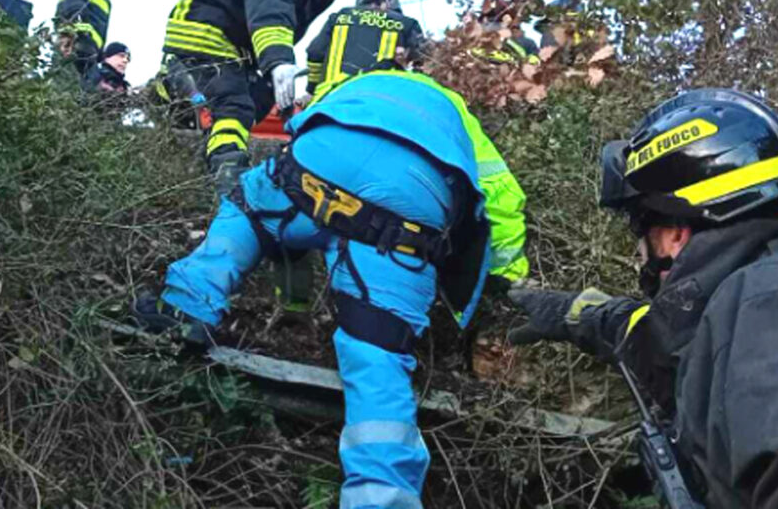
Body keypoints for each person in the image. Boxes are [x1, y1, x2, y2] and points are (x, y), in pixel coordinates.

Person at [133, 69, 528, 508]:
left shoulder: (359, 84)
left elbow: (300, 126)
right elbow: (503, 203)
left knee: (250, 208)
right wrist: (504, 286)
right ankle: (381, 497)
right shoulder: (457, 117)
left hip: (319, 165)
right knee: (377, 359)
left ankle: (187, 306)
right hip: (404, 217)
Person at [507, 88, 778, 508]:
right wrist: (572, 314)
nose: (638, 253)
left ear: (675, 233)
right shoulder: (739, 305)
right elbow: (657, 337)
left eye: (640, 233)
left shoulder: (768, 302)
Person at [157, 0, 367, 193]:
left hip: (236, 44)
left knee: (264, 95)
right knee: (234, 105)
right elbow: (270, 15)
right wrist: (278, 61)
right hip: (204, 26)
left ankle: (185, 106)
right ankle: (230, 179)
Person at [304, 0, 425, 101]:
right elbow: (423, 63)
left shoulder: (341, 16)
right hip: (378, 100)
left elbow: (315, 52)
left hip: (329, 96)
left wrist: (312, 88)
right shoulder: (407, 24)